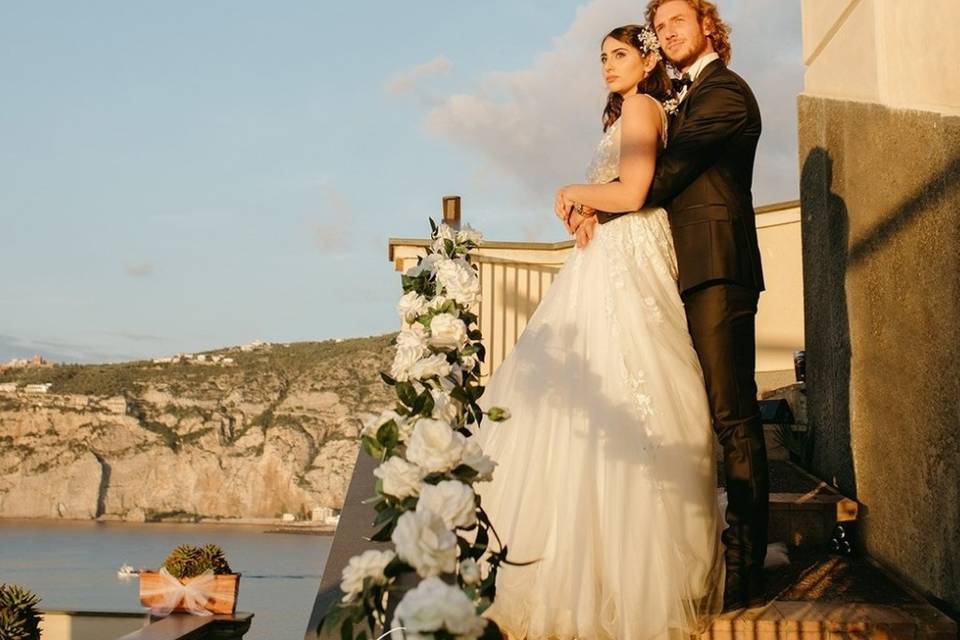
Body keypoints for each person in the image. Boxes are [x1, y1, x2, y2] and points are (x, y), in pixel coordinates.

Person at [469, 23, 725, 640]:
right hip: (607, 252)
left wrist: (572, 192)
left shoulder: (642, 106)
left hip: (629, 261)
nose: (608, 66)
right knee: (580, 392)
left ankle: (624, 574)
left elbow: (635, 190)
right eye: (601, 58)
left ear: (646, 59)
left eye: (619, 55)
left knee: (622, 379)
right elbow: (620, 192)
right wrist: (588, 209)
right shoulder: (625, 114)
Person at [569, 0, 769, 611]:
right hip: (672, 267)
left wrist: (588, 196)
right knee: (685, 408)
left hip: (715, 268)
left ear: (709, 24)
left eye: (677, 20)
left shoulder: (726, 94)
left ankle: (744, 568)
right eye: (659, 25)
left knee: (731, 414)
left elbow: (662, 176)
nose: (667, 31)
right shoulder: (676, 97)